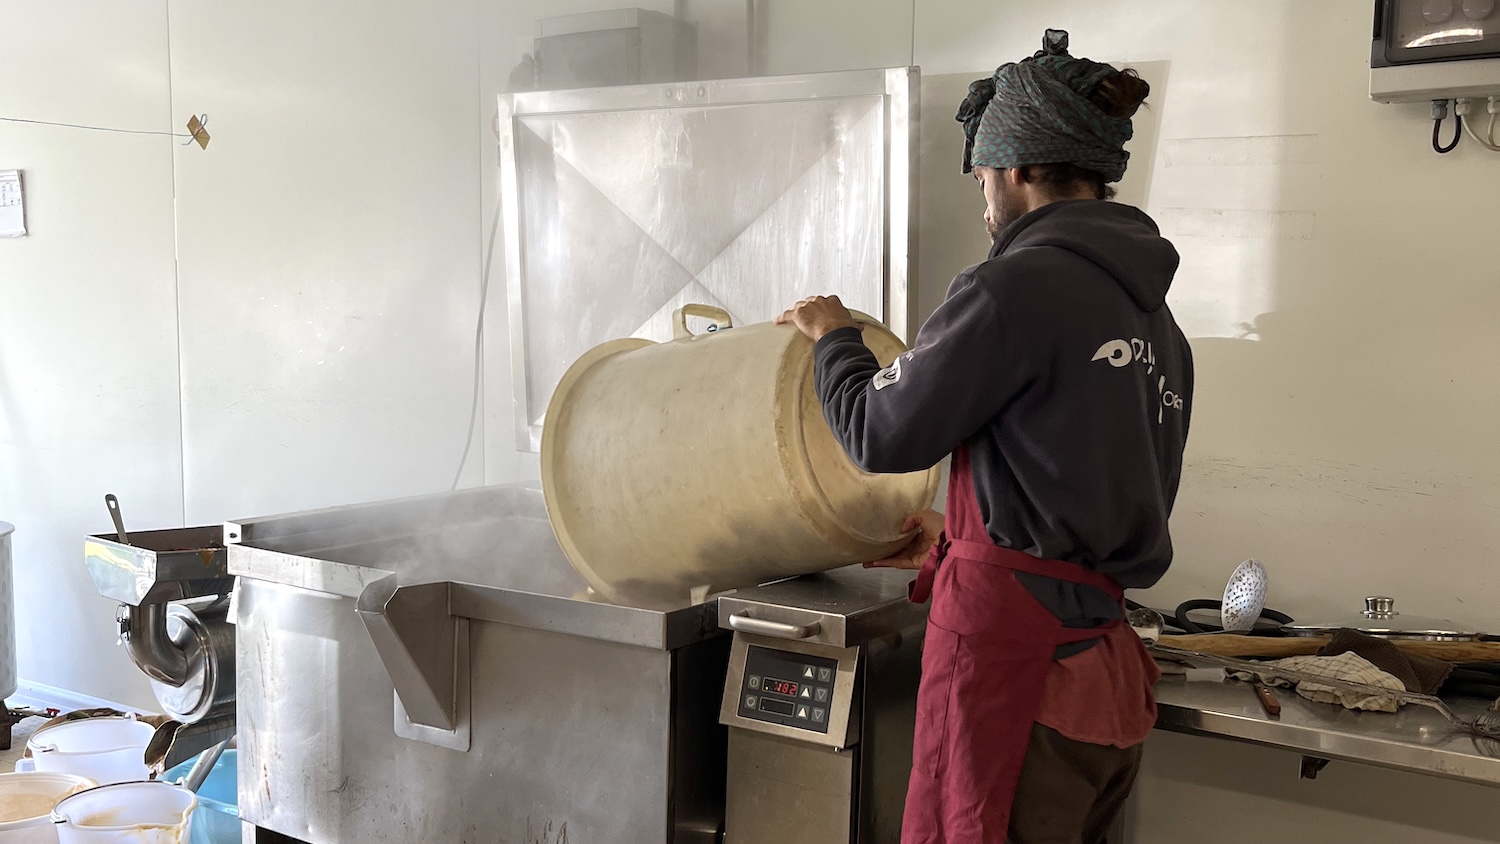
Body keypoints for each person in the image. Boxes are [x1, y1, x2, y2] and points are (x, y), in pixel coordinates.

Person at [776, 29, 1193, 844]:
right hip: (1099, 675)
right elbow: (1089, 470)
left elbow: (877, 432)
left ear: (1020, 171)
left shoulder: (1016, 285)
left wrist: (835, 336)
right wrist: (962, 534)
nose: (981, 190)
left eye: (983, 172)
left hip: (1022, 677)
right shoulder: (1154, 313)